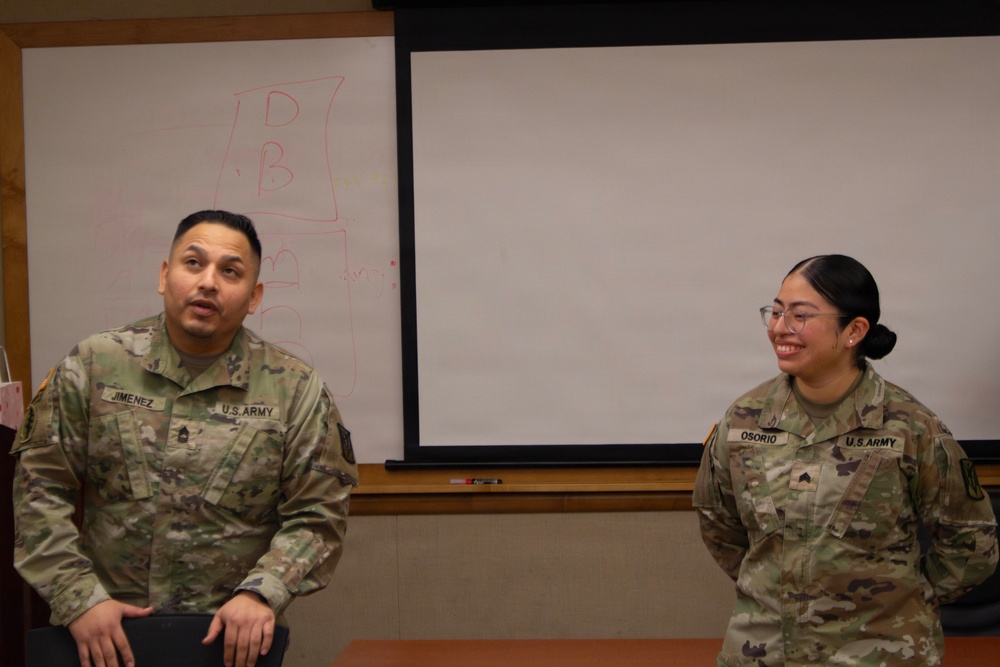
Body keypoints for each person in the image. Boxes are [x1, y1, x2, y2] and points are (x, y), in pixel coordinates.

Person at [12, 210, 358, 667]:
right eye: (193, 263)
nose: (209, 282)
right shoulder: (94, 365)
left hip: (229, 642)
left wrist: (261, 595)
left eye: (230, 271)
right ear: (164, 275)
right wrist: (79, 599)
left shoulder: (294, 389)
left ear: (254, 297)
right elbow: (40, 491)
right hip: (103, 636)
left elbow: (317, 517)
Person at [693, 254, 997, 666]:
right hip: (764, 651)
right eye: (776, 312)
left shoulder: (911, 427)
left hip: (880, 654)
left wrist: (898, 598)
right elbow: (720, 525)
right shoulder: (744, 419)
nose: (781, 328)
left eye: (800, 315)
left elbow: (971, 541)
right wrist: (778, 586)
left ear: (854, 330)